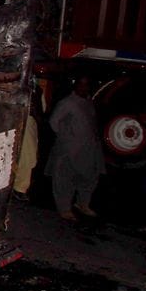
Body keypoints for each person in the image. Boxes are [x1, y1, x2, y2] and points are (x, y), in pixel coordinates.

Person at [45, 76, 105, 221]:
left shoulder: (88, 102)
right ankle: (64, 208)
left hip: (89, 148)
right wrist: (67, 138)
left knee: (90, 176)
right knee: (65, 179)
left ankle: (82, 204)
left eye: (86, 85)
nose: (83, 88)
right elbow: (54, 122)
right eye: (81, 84)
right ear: (75, 86)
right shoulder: (67, 103)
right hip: (69, 149)